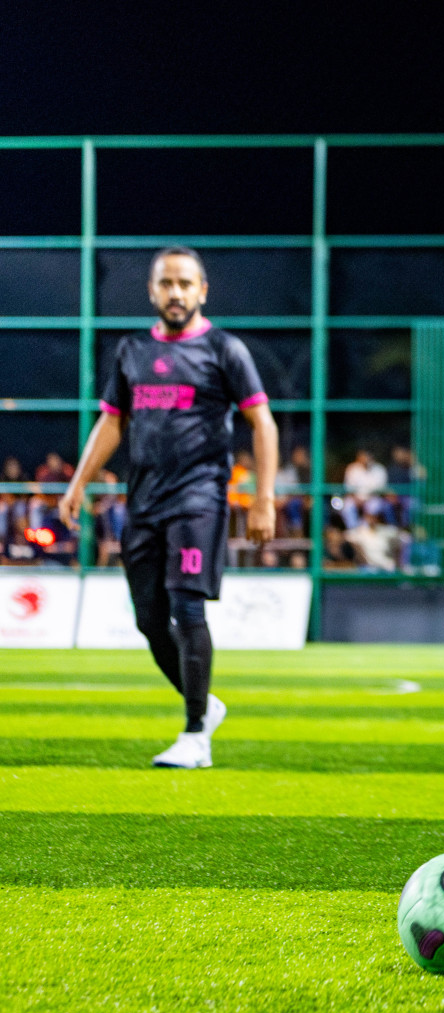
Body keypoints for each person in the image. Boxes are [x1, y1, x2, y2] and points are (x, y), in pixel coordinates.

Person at [60, 246, 278, 770]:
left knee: (187, 608)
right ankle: (205, 703)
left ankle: (195, 734)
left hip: (198, 499)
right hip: (144, 503)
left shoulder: (226, 350)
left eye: (185, 283)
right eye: (166, 284)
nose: (175, 293)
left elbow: (262, 423)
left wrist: (264, 499)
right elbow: (111, 422)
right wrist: (77, 483)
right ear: (152, 291)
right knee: (149, 620)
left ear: (203, 291)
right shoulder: (132, 351)